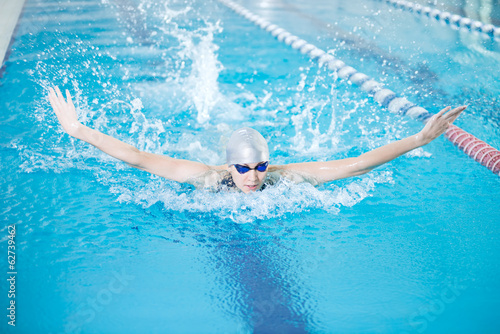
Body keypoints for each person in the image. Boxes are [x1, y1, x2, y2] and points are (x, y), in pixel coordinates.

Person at [48, 86, 466, 193]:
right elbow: (139, 158)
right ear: (230, 165)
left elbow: (355, 164)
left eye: (260, 166)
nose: (253, 177)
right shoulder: (208, 177)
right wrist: (78, 130)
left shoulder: (284, 177)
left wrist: (418, 139)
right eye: (245, 168)